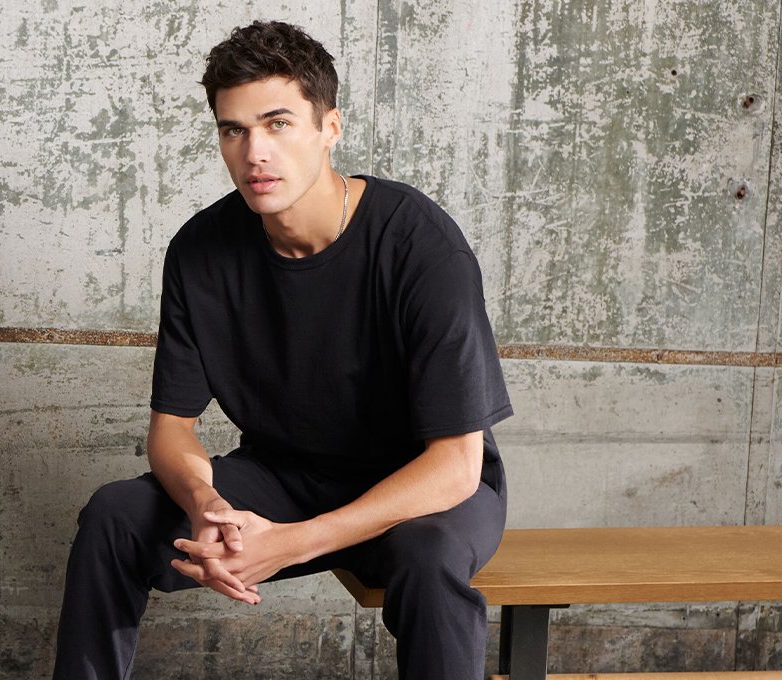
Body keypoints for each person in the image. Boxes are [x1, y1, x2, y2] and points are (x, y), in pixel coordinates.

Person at [51, 20, 514, 680]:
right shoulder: (201, 252)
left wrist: (290, 544)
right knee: (115, 516)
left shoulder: (419, 245)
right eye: (233, 130)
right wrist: (205, 504)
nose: (253, 152)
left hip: (420, 487)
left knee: (430, 559)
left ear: (330, 127)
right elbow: (172, 432)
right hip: (285, 478)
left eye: (277, 124)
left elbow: (455, 466)